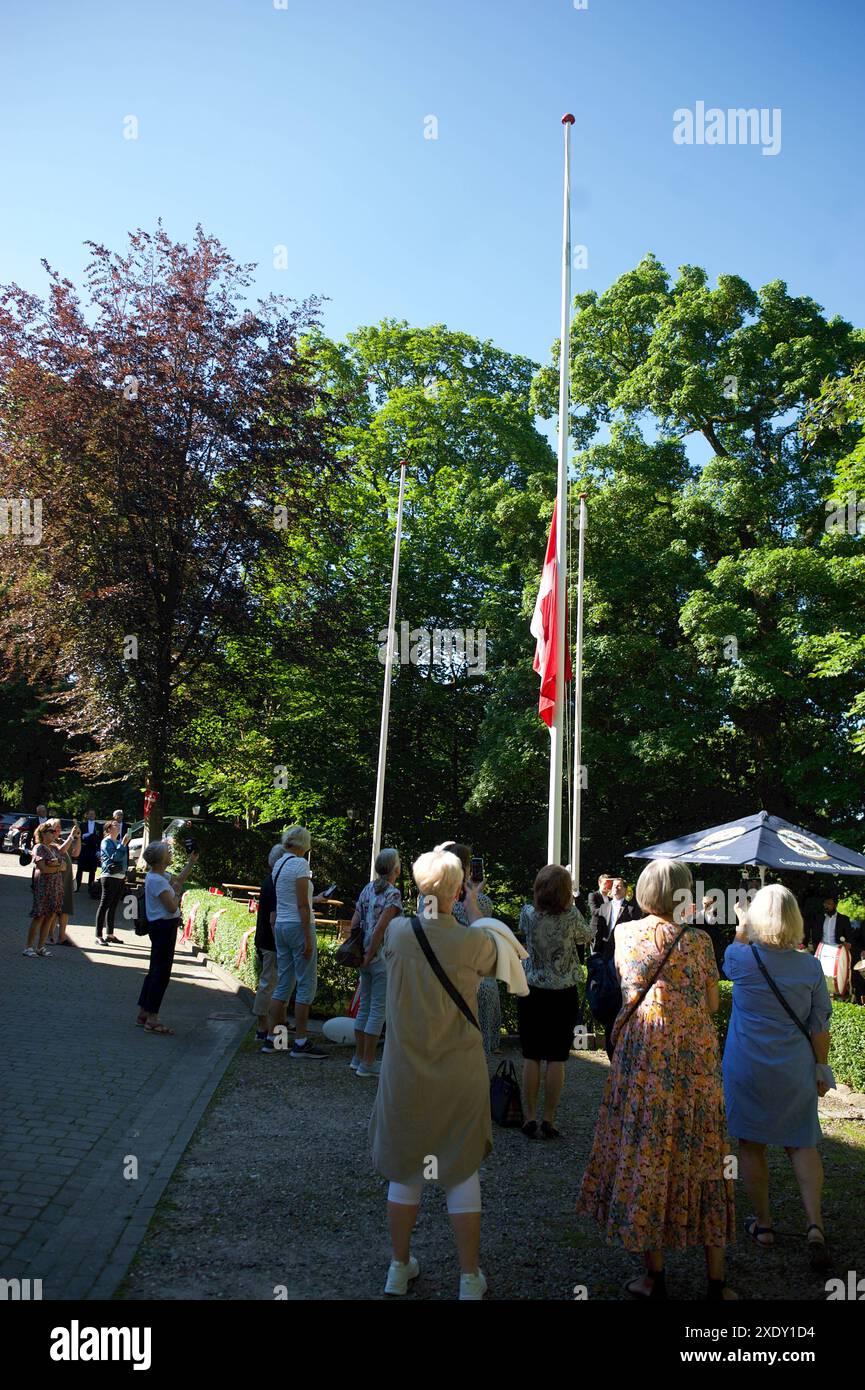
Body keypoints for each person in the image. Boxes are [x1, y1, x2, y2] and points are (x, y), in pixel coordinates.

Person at [577, 858, 737, 1300]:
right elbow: (711, 1005)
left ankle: (655, 1276)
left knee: (648, 1150)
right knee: (706, 1153)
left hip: (645, 1053)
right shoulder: (701, 943)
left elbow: (628, 987)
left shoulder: (627, 934)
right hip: (695, 1061)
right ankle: (717, 1282)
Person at [369, 847, 498, 1300]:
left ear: (417, 886)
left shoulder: (400, 934)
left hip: (405, 1069)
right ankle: (468, 1278)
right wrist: (472, 904)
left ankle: (398, 1269)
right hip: (459, 1070)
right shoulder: (472, 942)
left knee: (405, 1170)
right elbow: (494, 963)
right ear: (459, 888)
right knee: (461, 1171)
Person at [722, 884, 833, 1270]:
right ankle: (814, 1224)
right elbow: (820, 1027)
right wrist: (821, 1068)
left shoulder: (739, 958)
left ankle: (765, 1225)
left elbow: (730, 959)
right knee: (802, 1143)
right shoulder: (811, 967)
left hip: (747, 1065)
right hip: (794, 1066)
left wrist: (740, 923)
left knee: (750, 1144)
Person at [517, 865, 593, 1139]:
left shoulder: (527, 914)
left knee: (531, 1055)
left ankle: (529, 1116)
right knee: (557, 1057)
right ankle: (549, 1118)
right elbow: (587, 936)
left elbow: (522, 932)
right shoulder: (572, 916)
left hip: (531, 990)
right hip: (563, 993)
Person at [262, 826, 327, 1058]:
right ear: (303, 843)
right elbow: (302, 904)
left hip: (281, 925)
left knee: (283, 984)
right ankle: (300, 1041)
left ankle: (274, 1039)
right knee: (306, 984)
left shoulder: (279, 864)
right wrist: (309, 938)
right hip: (298, 926)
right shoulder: (300, 864)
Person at [435, 841, 500, 1056]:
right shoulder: (480, 901)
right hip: (468, 976)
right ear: (466, 869)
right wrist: (475, 897)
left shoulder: (428, 899)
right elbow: (485, 935)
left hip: (439, 975)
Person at [135, 839, 199, 1034]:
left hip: (162, 926)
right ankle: (152, 1018)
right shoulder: (157, 880)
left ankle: (144, 1012)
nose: (171, 854)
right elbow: (171, 906)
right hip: (163, 927)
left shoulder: (159, 875)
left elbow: (178, 881)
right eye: (168, 853)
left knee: (155, 969)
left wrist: (191, 862)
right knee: (161, 974)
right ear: (161, 860)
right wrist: (178, 895)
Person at [350, 848, 403, 1078]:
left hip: (363, 955)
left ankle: (358, 1057)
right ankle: (368, 1062)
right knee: (377, 1010)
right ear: (396, 870)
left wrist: (359, 951)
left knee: (364, 1006)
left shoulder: (367, 888)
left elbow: (356, 920)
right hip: (380, 957)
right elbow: (381, 927)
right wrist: (371, 953)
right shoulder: (393, 894)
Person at [252, 843, 290, 1042]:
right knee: (271, 984)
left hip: (265, 939)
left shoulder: (269, 880)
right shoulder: (277, 883)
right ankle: (265, 1029)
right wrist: (281, 946)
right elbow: (273, 918)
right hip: (272, 942)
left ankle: (274, 1030)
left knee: (272, 984)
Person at [22, 821, 67, 957]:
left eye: (54, 831)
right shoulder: (39, 847)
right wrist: (57, 866)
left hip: (56, 886)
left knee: (51, 915)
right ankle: (28, 947)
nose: (54, 834)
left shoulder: (53, 848)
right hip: (43, 886)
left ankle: (40, 947)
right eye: (51, 831)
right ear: (42, 833)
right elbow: (43, 868)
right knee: (39, 915)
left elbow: (64, 865)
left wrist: (56, 866)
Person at [95, 819, 130, 944]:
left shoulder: (118, 841)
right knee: (104, 905)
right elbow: (115, 856)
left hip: (119, 877)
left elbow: (124, 859)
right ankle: (98, 936)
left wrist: (125, 874)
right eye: (115, 825)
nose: (118, 827)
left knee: (113, 906)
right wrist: (123, 844)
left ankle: (110, 934)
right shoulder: (106, 842)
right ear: (108, 829)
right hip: (109, 876)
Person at [49, 820, 81, 946]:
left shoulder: (63, 841)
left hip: (66, 879)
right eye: (55, 828)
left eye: (59, 828)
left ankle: (62, 937)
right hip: (55, 880)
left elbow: (76, 853)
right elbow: (60, 851)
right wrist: (71, 837)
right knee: (53, 910)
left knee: (65, 909)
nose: (58, 830)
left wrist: (77, 838)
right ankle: (49, 935)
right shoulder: (49, 843)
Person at [593, 876, 641, 960]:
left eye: (619, 885)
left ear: (625, 890)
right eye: (614, 885)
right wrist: (596, 951)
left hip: (624, 950)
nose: (616, 887)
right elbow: (599, 930)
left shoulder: (632, 908)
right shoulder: (603, 907)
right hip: (605, 949)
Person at [76, 808, 102, 897]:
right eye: (90, 814)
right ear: (87, 815)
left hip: (93, 849)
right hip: (84, 848)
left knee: (92, 869)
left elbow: (101, 838)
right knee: (80, 868)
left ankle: (91, 887)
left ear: (95, 815)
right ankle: (77, 886)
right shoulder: (82, 825)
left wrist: (99, 850)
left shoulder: (99, 826)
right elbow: (78, 836)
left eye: (93, 814)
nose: (91, 816)